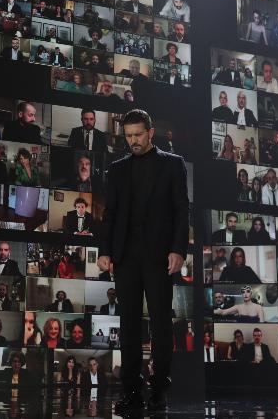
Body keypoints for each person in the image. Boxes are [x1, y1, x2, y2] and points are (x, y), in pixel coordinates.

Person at [96, 109, 188, 414]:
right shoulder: (117, 168)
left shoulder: (173, 165)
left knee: (161, 324)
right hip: (125, 257)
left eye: (138, 135)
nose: (133, 141)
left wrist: (178, 249)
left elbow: (180, 211)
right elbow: (109, 214)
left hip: (160, 256)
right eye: (128, 136)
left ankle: (159, 388)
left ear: (151, 132)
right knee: (129, 325)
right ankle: (132, 391)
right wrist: (105, 251)